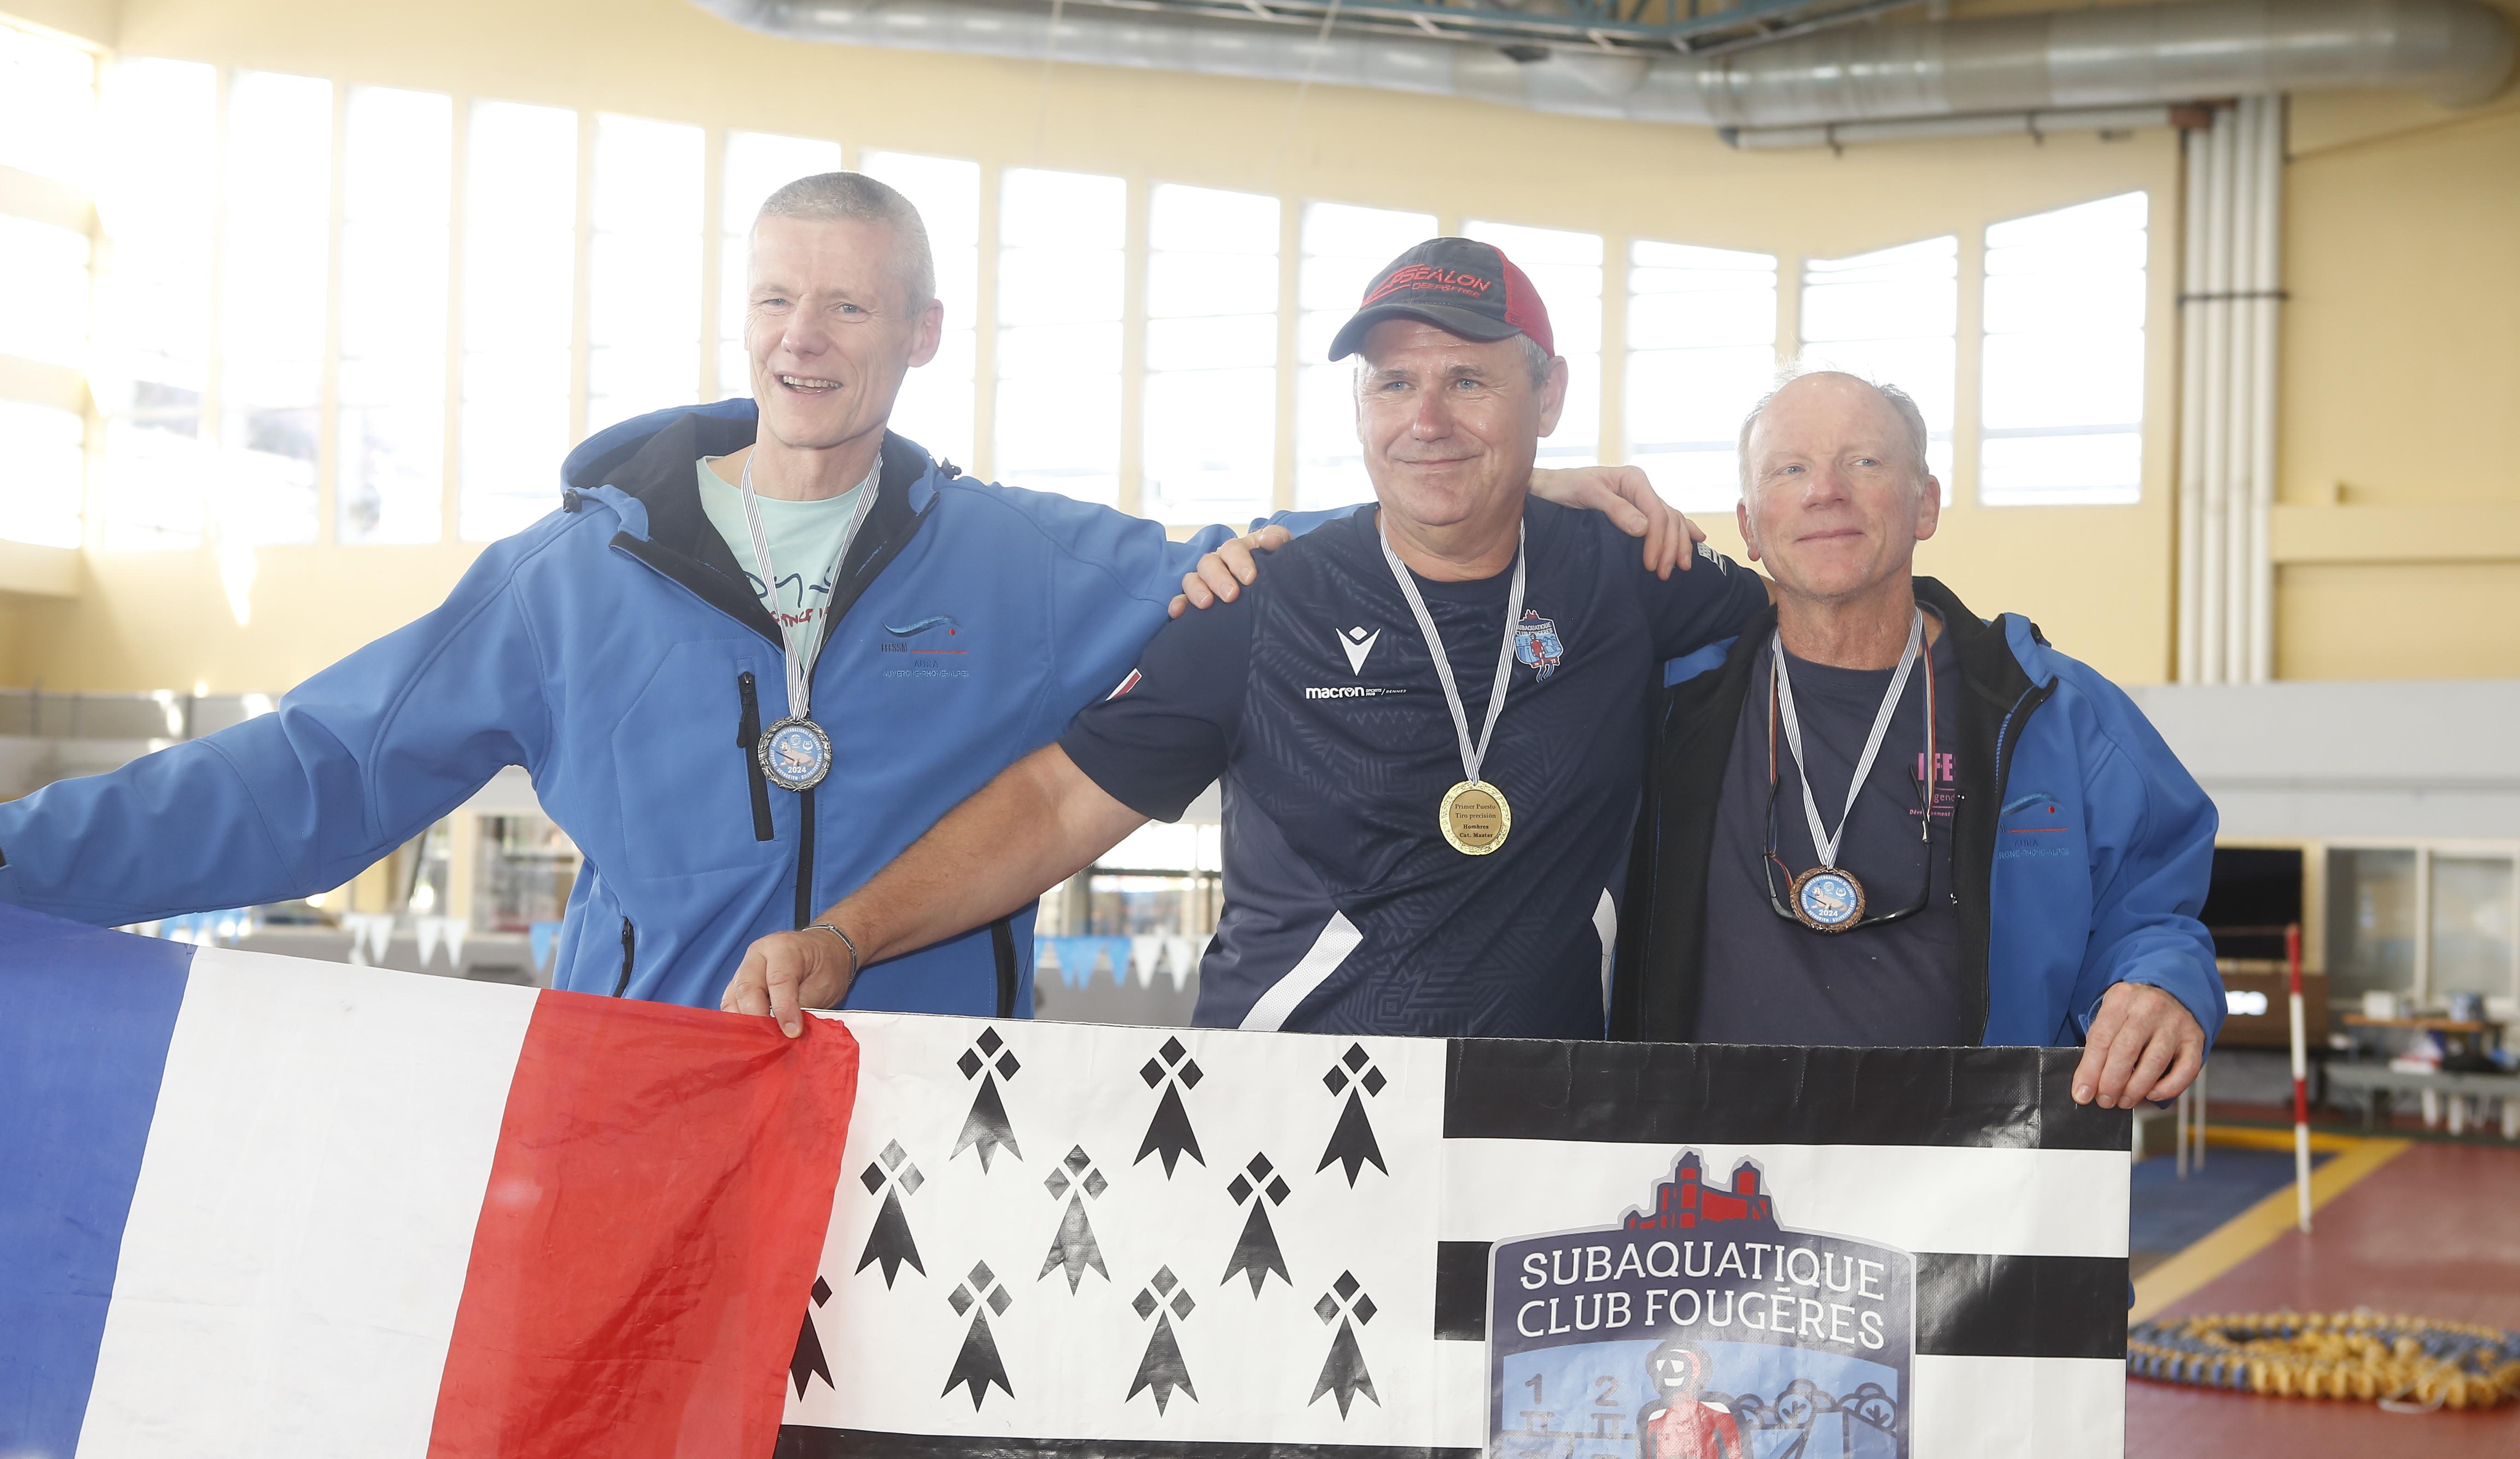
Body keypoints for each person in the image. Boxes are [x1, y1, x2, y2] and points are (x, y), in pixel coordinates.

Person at [0, 175, 1690, 1015]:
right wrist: (20, 861)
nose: (805, 340)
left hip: (917, 1112)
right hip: (637, 1079)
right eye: (777, 302)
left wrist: (1487, 478)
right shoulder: (570, 581)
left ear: (920, 335)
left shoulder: (1021, 564)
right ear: (745, 317)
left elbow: (1249, 566)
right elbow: (316, 772)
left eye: (851, 309)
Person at [724, 237, 1772, 1039]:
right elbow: (1058, 802)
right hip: (1288, 1131)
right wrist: (845, 936)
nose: (1426, 419)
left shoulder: (1623, 575)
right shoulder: (1266, 599)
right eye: (1393, 383)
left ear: (1547, 397)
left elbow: (1810, 623)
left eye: (1467, 381)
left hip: (1539, 1135)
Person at [1610, 369, 2222, 1109]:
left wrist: (2164, 984)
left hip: (1971, 1160)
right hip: (1713, 1156)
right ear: (1748, 527)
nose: (1825, 491)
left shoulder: (2056, 712)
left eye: (1864, 462)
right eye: (1790, 469)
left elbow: (2153, 912)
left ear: (1924, 504)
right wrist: (1541, 488)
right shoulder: (1667, 703)